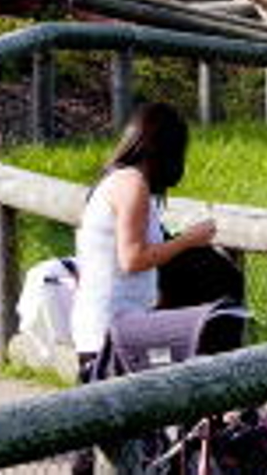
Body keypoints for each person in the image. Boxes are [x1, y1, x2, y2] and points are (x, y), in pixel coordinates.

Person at [72, 104, 219, 385]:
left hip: (108, 326)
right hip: (112, 330)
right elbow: (132, 259)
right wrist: (189, 240)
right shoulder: (132, 184)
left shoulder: (116, 180)